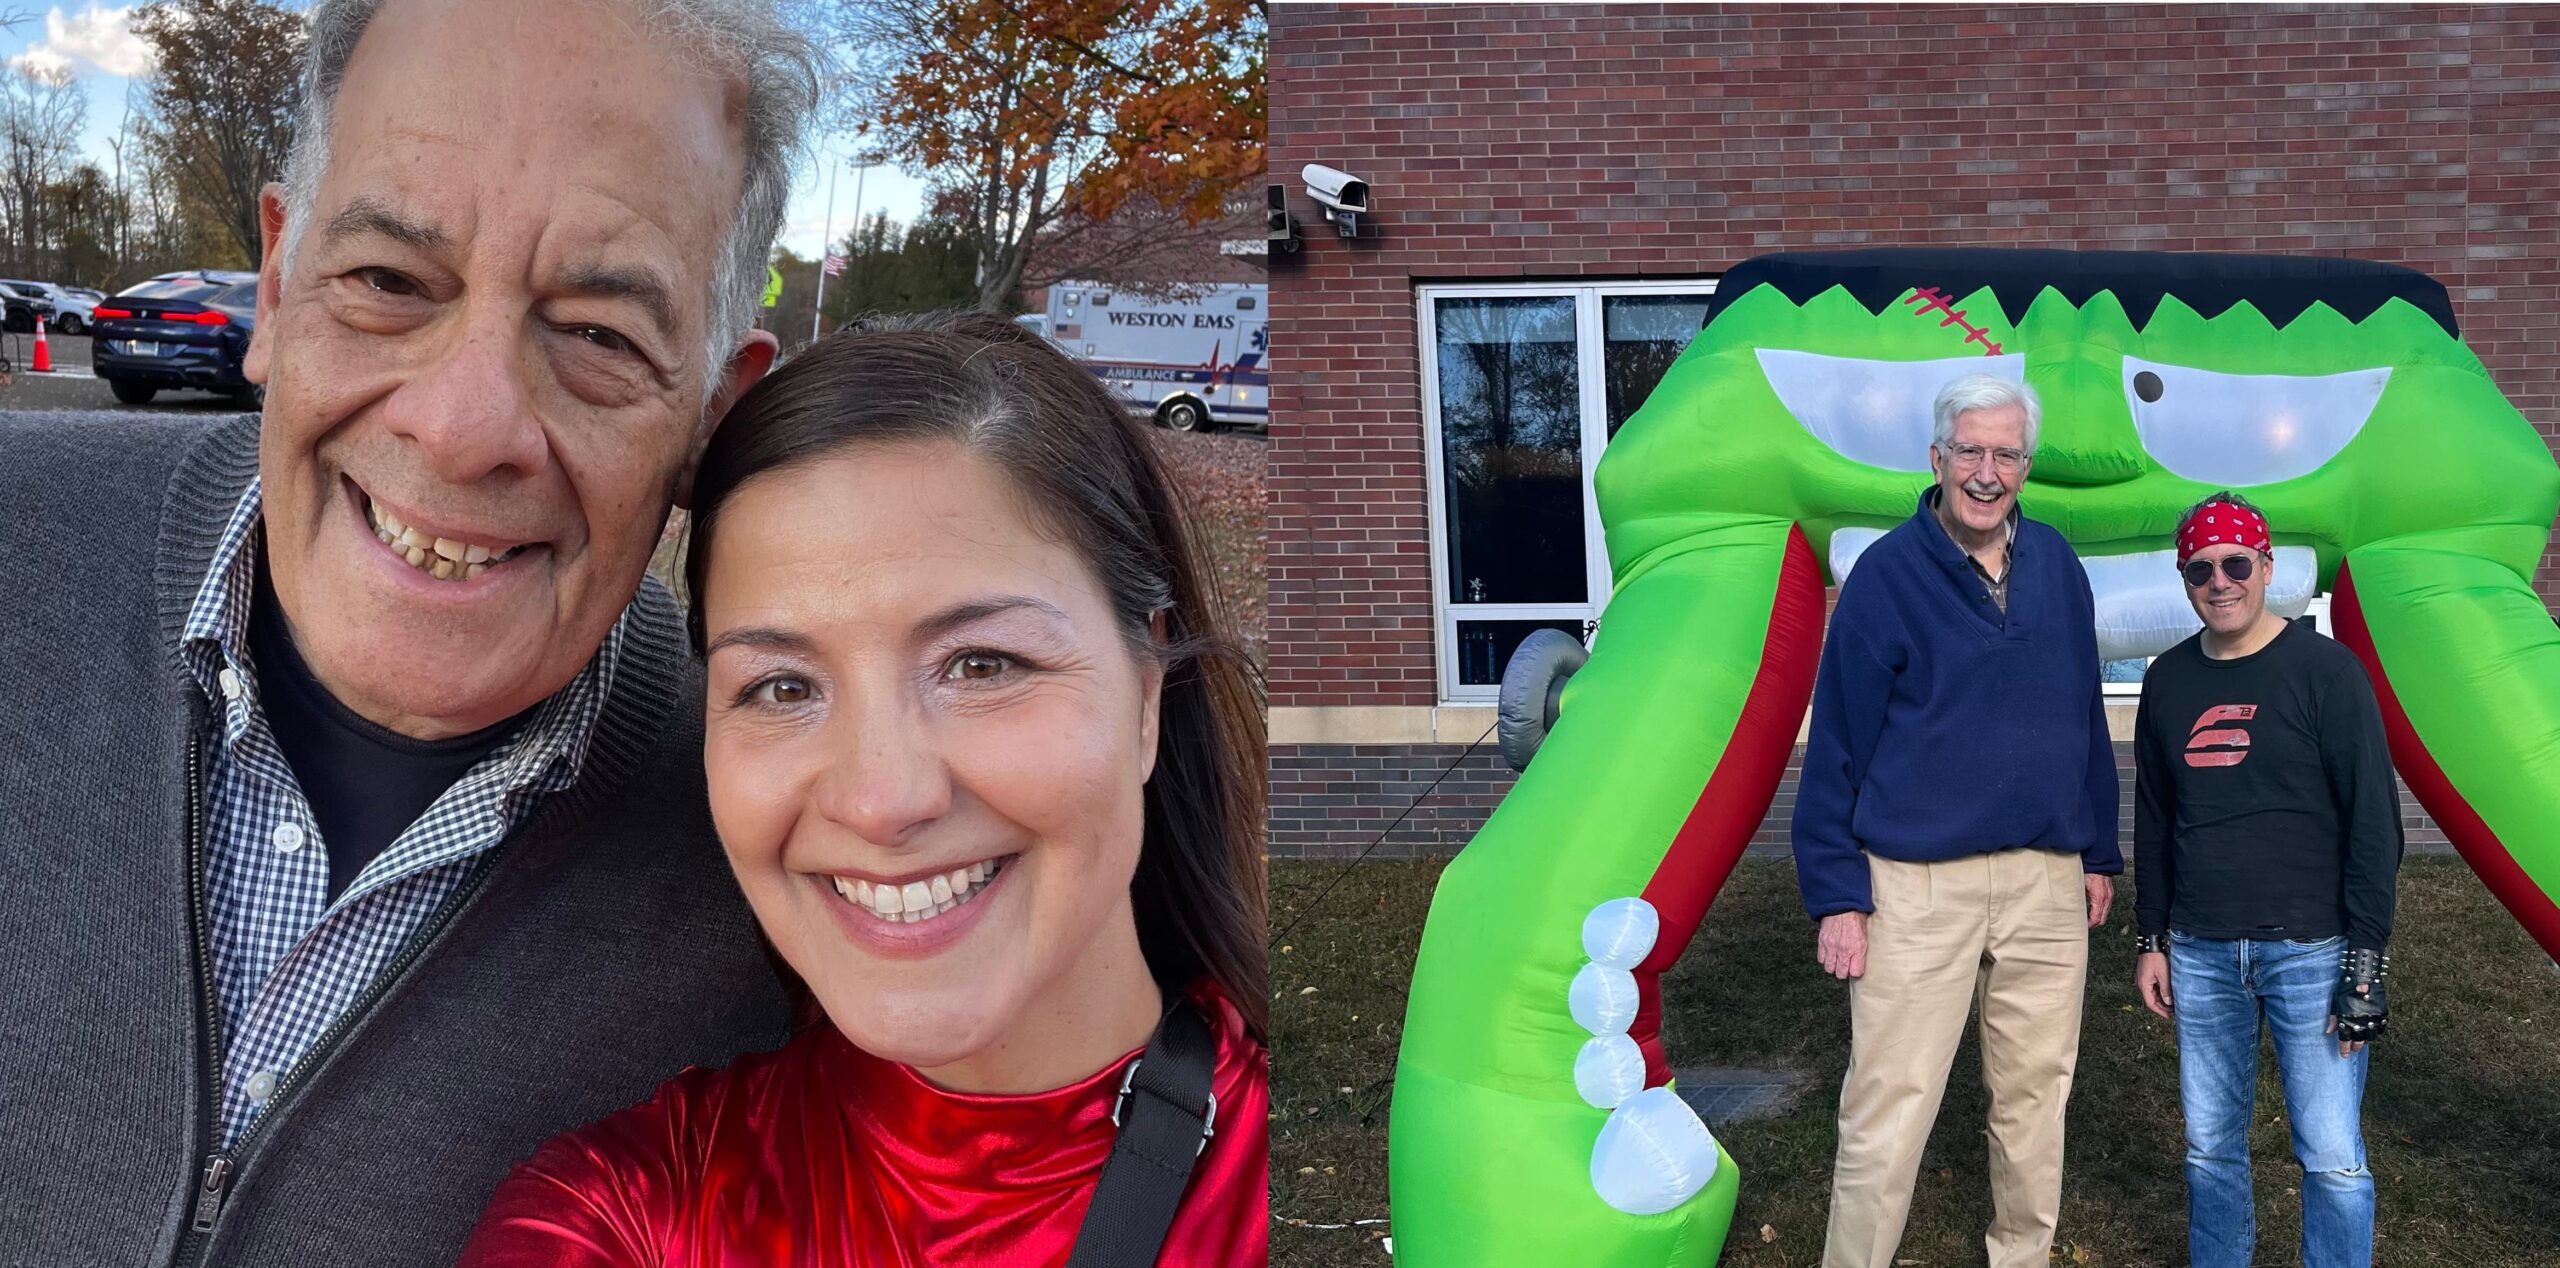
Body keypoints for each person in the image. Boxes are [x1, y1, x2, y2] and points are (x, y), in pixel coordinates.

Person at [0, 1, 820, 1263]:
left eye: (600, 335)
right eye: (389, 281)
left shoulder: (803, 882)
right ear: (277, 281)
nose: (462, 424)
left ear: (712, 413)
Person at [457, 312, 1271, 1266]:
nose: (882, 800)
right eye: (783, 687)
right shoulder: (624, 1217)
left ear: (1145, 692)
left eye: (980, 665)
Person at [1791, 373, 2121, 1268]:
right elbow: (1838, 749)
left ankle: (2023, 1257)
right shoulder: (1885, 580)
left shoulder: (2056, 565)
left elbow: (2082, 716)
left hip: (2046, 883)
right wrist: (1836, 894)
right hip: (1914, 886)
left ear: (2026, 465)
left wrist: (2098, 850)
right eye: (1969, 451)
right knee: (1888, 1107)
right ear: (1936, 459)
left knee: (2035, 1102)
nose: (1986, 471)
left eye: (2005, 454)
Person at [2131, 492, 2400, 1268]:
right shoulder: (2168, 681)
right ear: (2185, 579)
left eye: (2236, 564)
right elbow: (2154, 818)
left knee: (2331, 1154)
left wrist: (2366, 959)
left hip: (2313, 951)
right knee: (2210, 1149)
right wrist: (2152, 939)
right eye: (2200, 569)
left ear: (2267, 567)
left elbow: (2374, 824)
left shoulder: (2326, 672)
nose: (2220, 582)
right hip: (2200, 950)